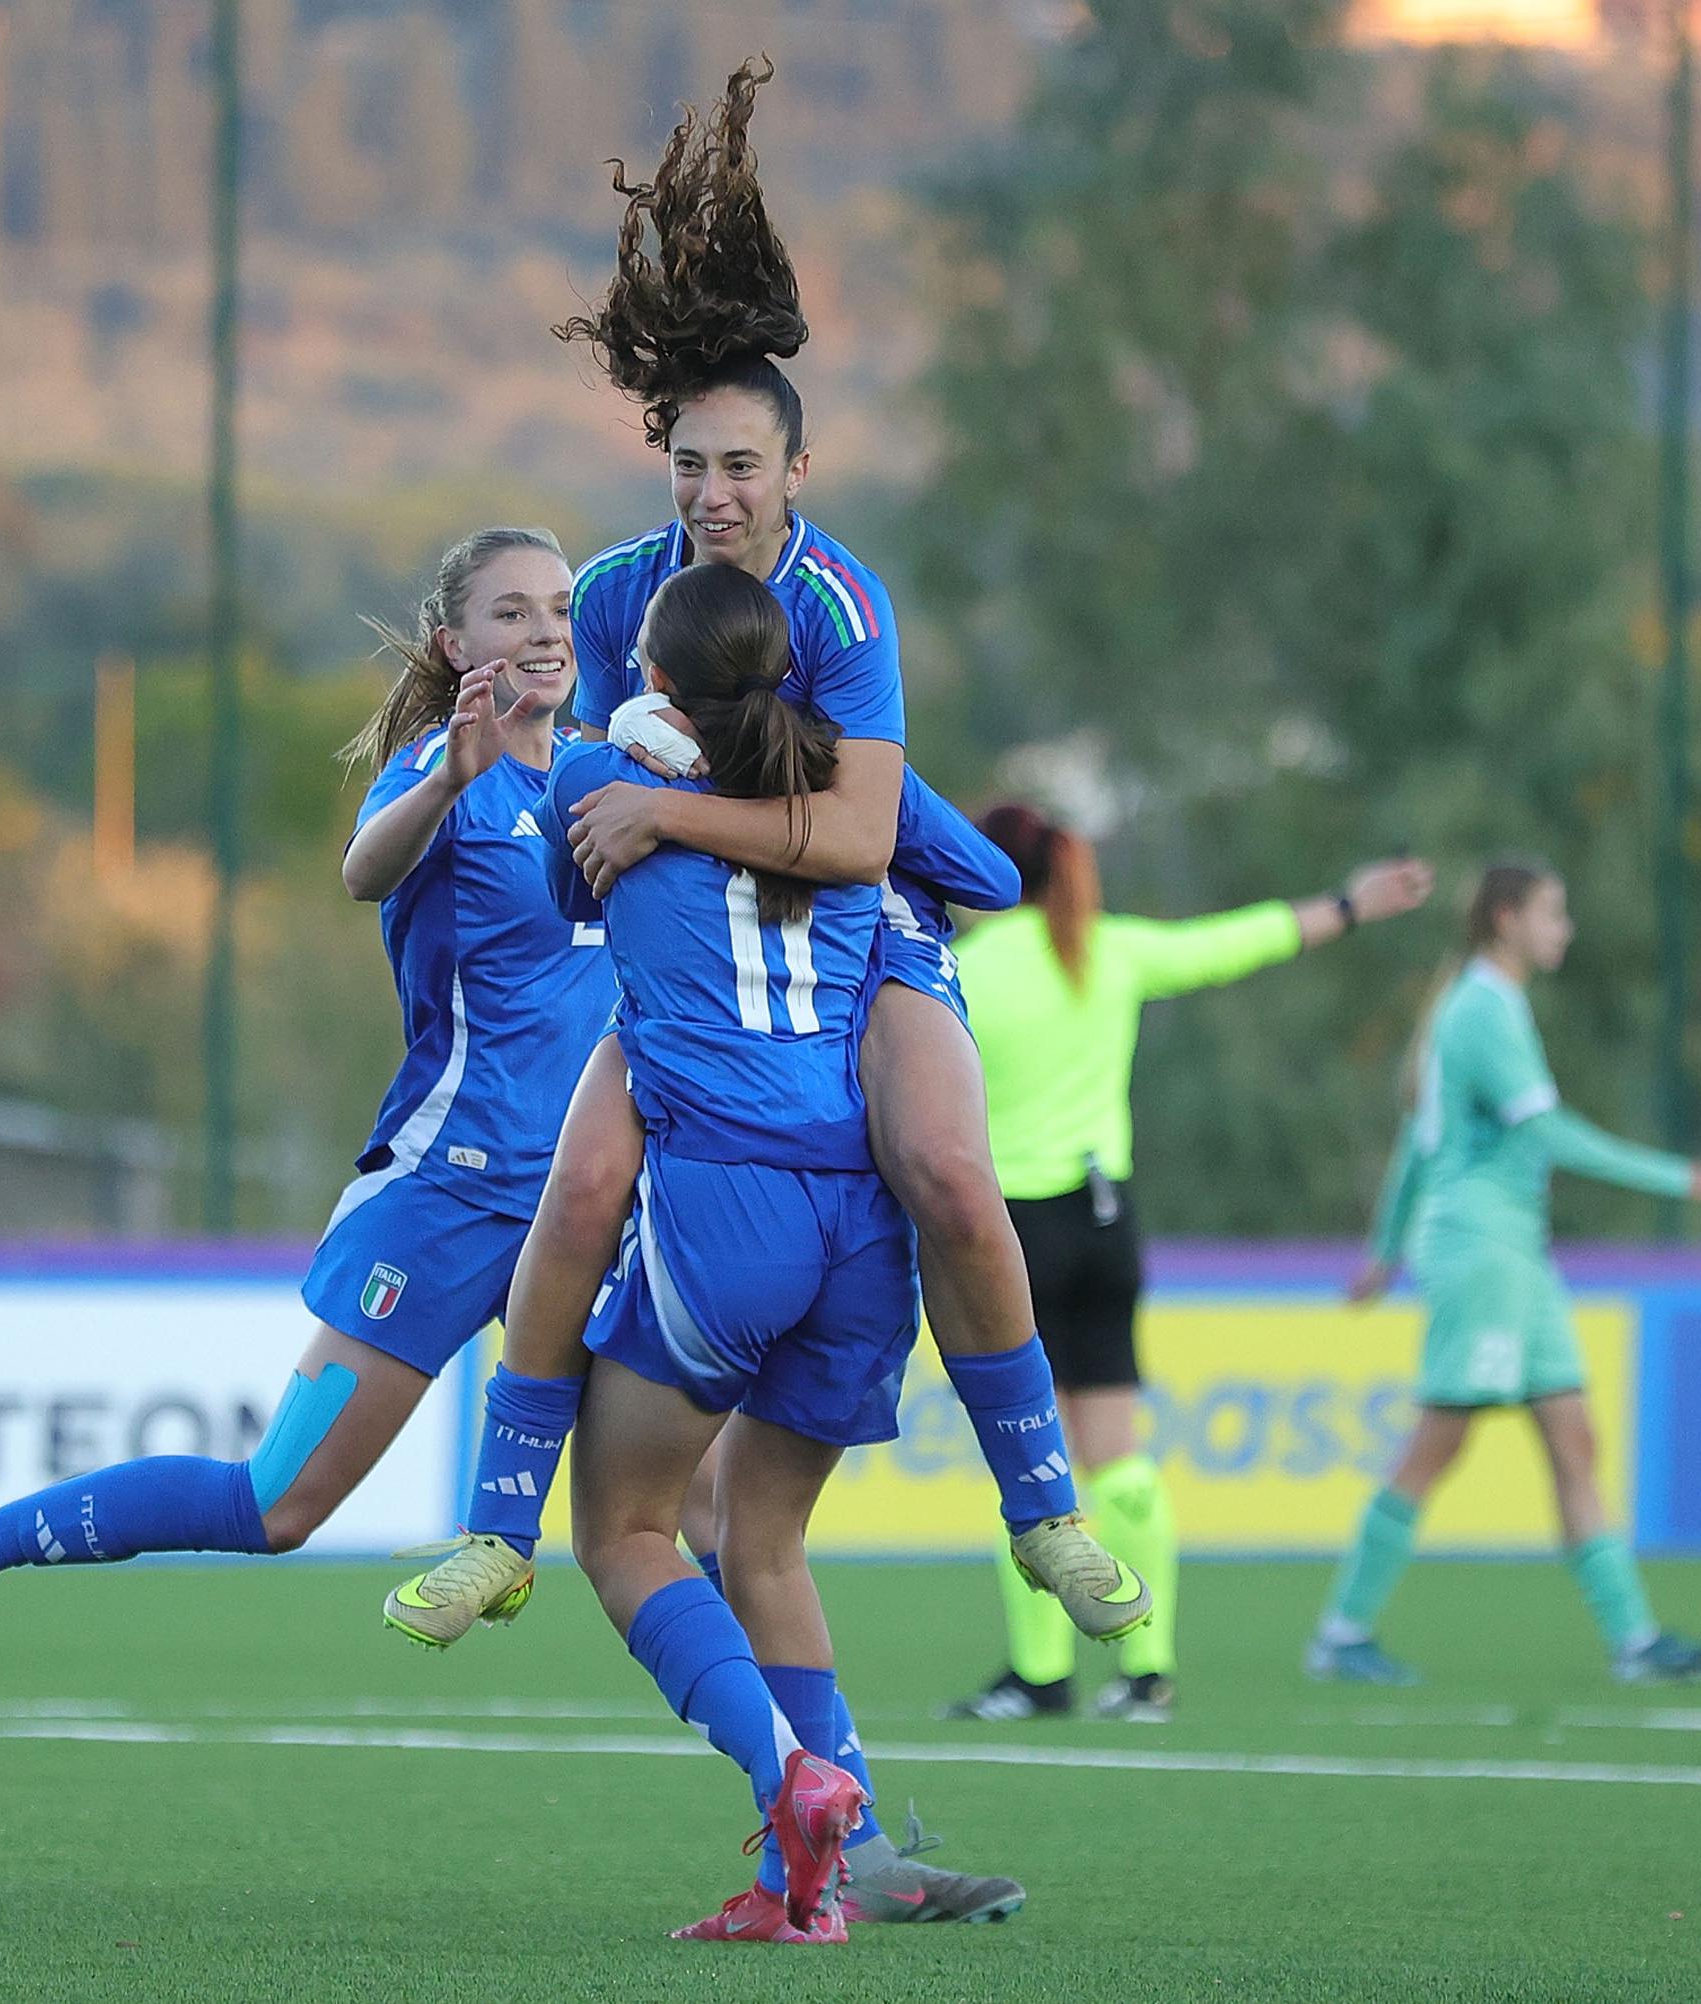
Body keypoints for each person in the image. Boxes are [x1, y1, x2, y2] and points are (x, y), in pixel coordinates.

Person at [396, 57, 1147, 1662]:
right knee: (582, 1186)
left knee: (952, 1169)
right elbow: (603, 801)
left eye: (742, 466)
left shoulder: (846, 604)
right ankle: (490, 1536)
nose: (711, 493)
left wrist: (663, 812)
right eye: (686, 463)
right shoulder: (613, 596)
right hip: (707, 954)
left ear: (798, 473)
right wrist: (619, 818)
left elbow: (868, 839)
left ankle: (1044, 1511)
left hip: (869, 931)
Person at [0, 528, 613, 1687]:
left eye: (558, 607)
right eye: (512, 613)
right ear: (457, 642)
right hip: (449, 1196)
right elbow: (364, 868)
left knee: (688, 1510)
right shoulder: (441, 773)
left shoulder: (606, 777)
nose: (545, 629)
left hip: (588, 1197)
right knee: (277, 1504)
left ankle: (815, 1800)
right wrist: (452, 774)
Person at [548, 560, 933, 1943]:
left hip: (734, 1210)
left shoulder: (603, 781)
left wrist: (635, 774)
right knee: (758, 1535)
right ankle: (803, 1887)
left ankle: (794, 1778)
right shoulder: (840, 824)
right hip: (864, 1222)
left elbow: (558, 895)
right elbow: (983, 870)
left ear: (650, 677)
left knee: (625, 1531)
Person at [942, 807, 1433, 1724]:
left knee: (1026, 1462)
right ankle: (1148, 1671)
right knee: (1117, 1461)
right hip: (1105, 1223)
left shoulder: (964, 969)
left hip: (1011, 1234)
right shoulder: (1107, 950)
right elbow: (1235, 942)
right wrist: (1349, 905)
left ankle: (1040, 1676)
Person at [1308, 859, 1701, 1687]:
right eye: (1553, 913)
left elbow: (1418, 1146)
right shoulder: (1483, 1009)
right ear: (1506, 920)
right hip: (1481, 1251)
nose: (1564, 929)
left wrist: (1383, 1253)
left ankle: (1633, 1640)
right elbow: (1548, 1133)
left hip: (1518, 1253)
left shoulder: (1484, 1005)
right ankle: (1343, 1631)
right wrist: (1678, 1177)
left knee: (1574, 1438)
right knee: (1438, 1445)